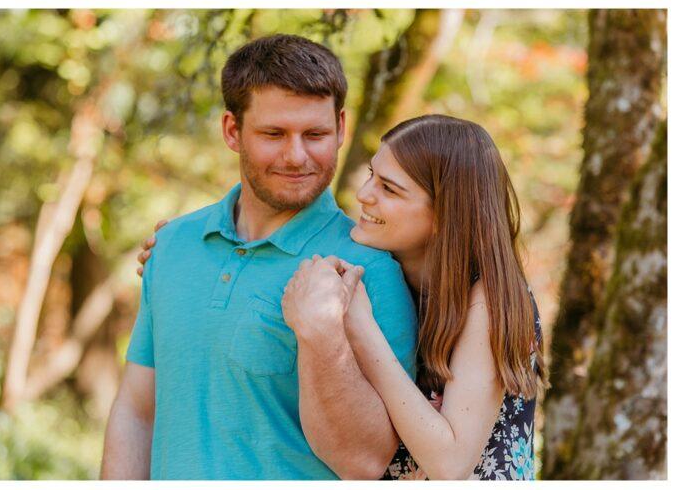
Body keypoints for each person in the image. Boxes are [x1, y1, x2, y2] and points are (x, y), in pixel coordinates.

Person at [141, 115, 547, 480]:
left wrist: (361, 327)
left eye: (389, 189)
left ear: (445, 214)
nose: (365, 194)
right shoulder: (385, 274)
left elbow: (450, 463)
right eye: (372, 175)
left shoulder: (489, 300)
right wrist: (182, 252)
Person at [101, 34, 418, 480]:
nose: (296, 156)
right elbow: (137, 412)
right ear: (233, 131)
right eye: (274, 134)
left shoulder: (372, 268)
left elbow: (366, 463)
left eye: (316, 134)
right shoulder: (173, 246)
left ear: (342, 128)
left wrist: (321, 335)